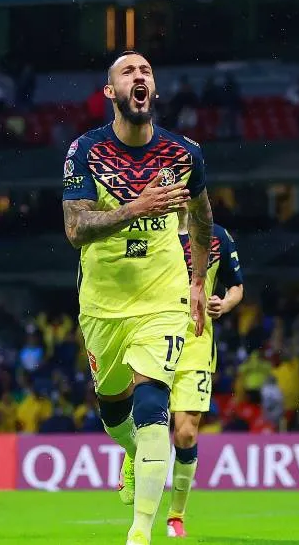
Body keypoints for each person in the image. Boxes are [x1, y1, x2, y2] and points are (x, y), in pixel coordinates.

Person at [61, 50, 213, 545]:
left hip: (162, 297)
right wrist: (137, 206)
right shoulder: (85, 150)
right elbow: (76, 229)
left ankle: (140, 532)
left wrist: (196, 281)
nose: (139, 75)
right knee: (113, 411)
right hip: (102, 303)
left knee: (152, 402)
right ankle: (132, 453)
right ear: (111, 92)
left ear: (154, 89)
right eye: (128, 71)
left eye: (146, 70)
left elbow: (202, 219)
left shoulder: (184, 153)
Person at [166, 213, 243, 538]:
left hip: (196, 344)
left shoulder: (216, 236)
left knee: (185, 433)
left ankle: (176, 516)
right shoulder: (154, 228)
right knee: (146, 426)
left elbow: (236, 286)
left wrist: (224, 304)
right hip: (152, 339)